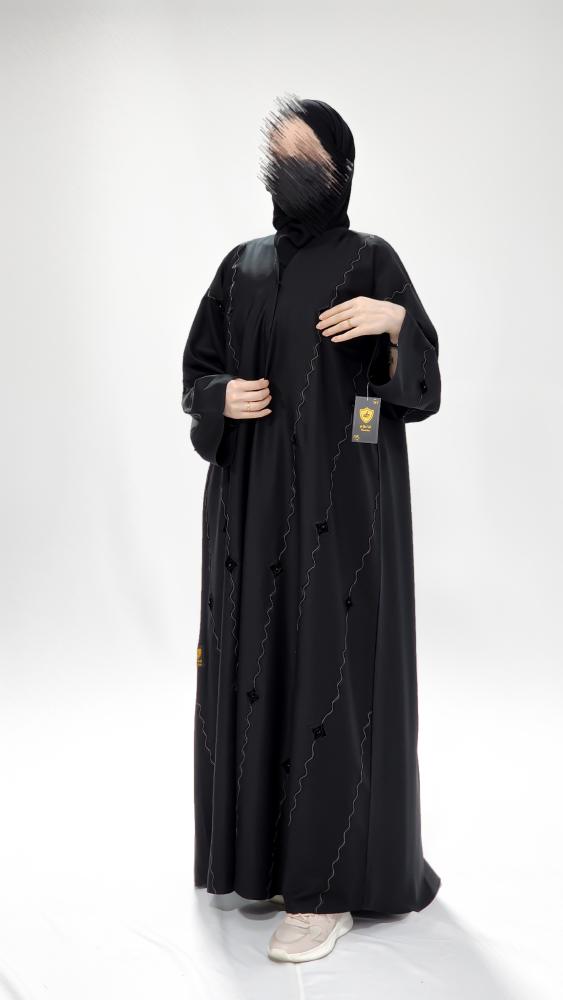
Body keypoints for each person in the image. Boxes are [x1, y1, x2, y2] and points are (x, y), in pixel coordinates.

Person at [181, 94, 442, 964]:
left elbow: (422, 388)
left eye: (305, 157)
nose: (286, 169)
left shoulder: (372, 260)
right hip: (252, 510)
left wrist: (395, 325)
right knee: (257, 661)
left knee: (334, 671)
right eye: (278, 155)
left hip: (345, 515)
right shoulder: (241, 267)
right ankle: (258, 864)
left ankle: (326, 885)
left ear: (340, 169)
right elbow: (196, 371)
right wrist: (220, 396)